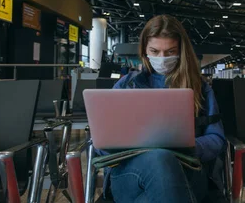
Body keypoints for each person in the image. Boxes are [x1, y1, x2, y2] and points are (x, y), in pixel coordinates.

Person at [96, 15, 226, 203]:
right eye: (154, 51)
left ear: (182, 51)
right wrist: (115, 145)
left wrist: (188, 147)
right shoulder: (126, 86)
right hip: (130, 173)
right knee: (159, 158)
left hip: (187, 171)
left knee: (161, 163)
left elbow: (217, 138)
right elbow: (100, 143)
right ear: (144, 50)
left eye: (170, 51)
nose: (162, 58)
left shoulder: (200, 88)